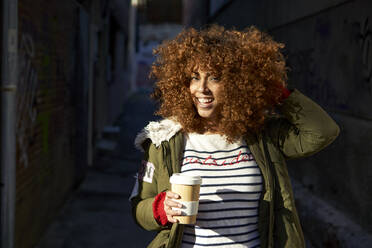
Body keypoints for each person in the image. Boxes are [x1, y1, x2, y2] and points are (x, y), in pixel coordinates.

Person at [130, 25, 340, 248]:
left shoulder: (261, 135)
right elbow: (138, 206)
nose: (202, 89)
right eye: (194, 77)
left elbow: (322, 132)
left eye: (214, 78)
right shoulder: (164, 140)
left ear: (235, 84)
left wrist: (278, 93)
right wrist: (160, 209)